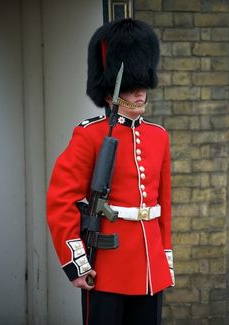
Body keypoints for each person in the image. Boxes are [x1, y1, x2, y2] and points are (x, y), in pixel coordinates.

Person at [46, 19, 174, 325]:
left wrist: (164, 258)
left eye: (142, 84)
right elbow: (61, 201)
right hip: (106, 268)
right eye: (131, 86)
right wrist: (77, 263)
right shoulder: (90, 135)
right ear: (111, 92)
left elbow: (163, 206)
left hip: (149, 268)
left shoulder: (159, 136)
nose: (140, 92)